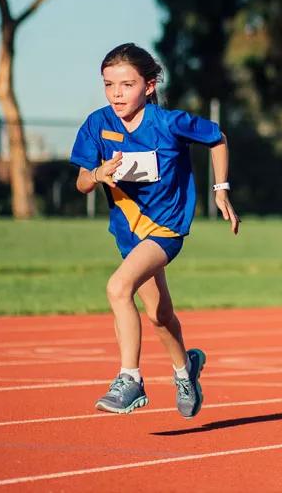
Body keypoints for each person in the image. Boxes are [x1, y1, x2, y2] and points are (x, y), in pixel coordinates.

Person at [70, 43, 240, 418]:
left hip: (166, 229)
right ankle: (185, 370)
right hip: (129, 232)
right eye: (109, 84)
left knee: (117, 287)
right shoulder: (98, 124)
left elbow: (217, 137)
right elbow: (82, 180)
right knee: (159, 315)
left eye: (126, 84)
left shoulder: (168, 122)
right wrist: (98, 173)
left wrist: (221, 190)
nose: (116, 93)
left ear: (148, 85)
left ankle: (129, 379)